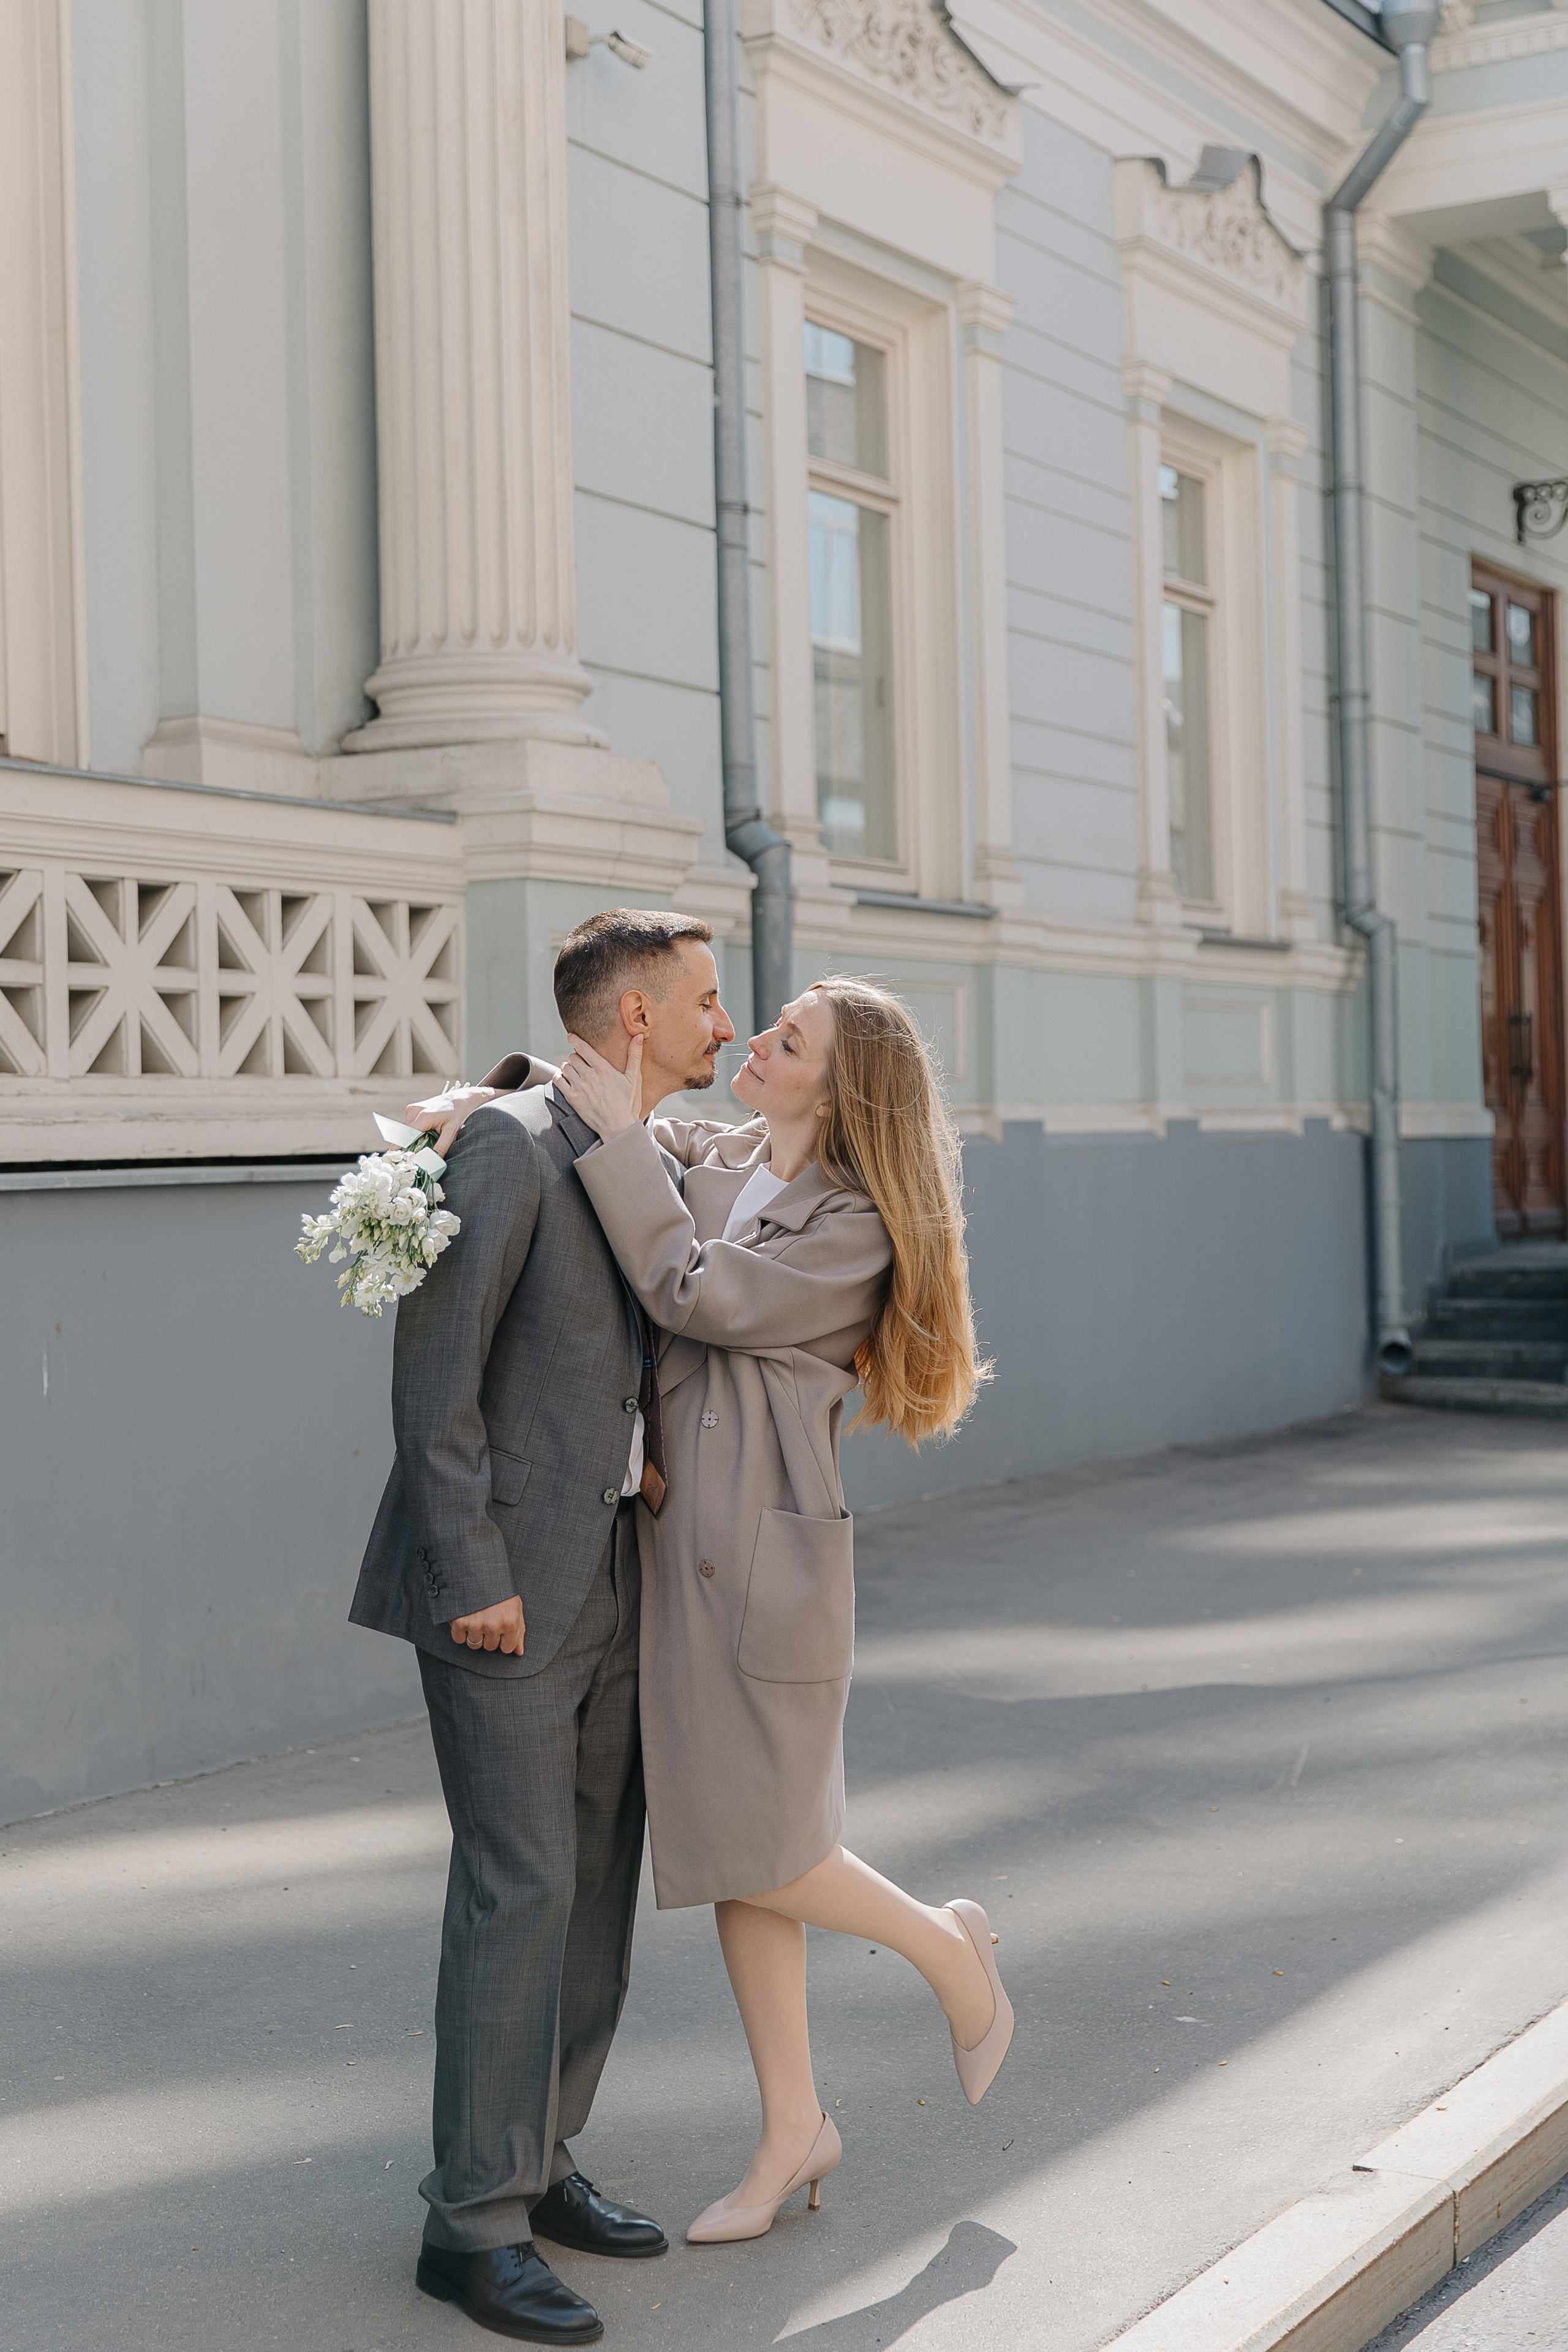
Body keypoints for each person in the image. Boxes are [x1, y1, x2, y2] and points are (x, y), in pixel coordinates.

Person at [417, 974, 1010, 2250]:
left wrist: (615, 1139)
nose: (754, 1042)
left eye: (787, 1042)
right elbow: (606, 1113)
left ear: (837, 1096)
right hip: (669, 1550)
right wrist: (493, 1098)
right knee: (742, 1847)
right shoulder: (725, 1152)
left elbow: (694, 1291)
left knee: (766, 1847)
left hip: (760, 1563)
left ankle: (946, 1950)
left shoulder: (852, 1226)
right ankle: (793, 2124)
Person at [353, 909, 736, 2346]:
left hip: (617, 1572)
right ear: (635, 1015)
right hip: (504, 1591)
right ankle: (470, 2228)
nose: (724, 1024)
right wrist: (471, 1570)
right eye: (705, 1000)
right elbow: (433, 1382)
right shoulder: (510, 1147)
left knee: (591, 1886)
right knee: (518, 1892)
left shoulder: (635, 1143)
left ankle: (541, 2157)